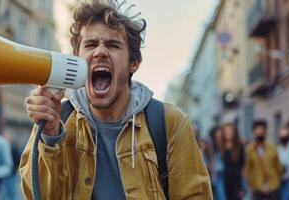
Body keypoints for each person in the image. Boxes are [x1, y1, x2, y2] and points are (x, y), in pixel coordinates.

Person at [20, 1, 212, 199]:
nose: (100, 52)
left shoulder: (170, 122)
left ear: (133, 63)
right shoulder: (55, 121)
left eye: (113, 45)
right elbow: (39, 195)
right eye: (91, 44)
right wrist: (50, 136)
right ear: (77, 59)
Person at [244, 120, 282, 200]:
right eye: (257, 130)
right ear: (253, 131)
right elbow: (247, 170)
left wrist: (272, 184)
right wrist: (255, 185)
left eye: (262, 130)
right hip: (257, 190)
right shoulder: (249, 150)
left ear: (265, 131)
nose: (260, 132)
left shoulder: (272, 148)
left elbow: (278, 168)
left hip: (272, 188)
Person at [221, 123, 244, 200]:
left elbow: (243, 167)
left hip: (236, 180)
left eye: (231, 131)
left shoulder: (240, 146)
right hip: (224, 180)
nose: (229, 134)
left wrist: (242, 187)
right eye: (227, 132)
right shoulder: (221, 146)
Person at [209, 126, 226, 200]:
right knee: (220, 194)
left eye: (220, 132)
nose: (219, 134)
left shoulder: (224, 144)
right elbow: (212, 159)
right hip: (217, 173)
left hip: (224, 172)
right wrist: (213, 171)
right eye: (218, 132)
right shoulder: (211, 145)